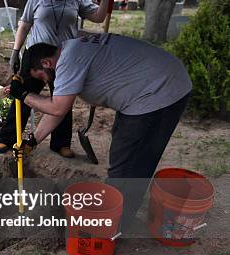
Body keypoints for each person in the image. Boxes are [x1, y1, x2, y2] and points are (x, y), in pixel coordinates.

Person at [11, 33, 192, 228]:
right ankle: (118, 211)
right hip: (150, 87)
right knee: (124, 152)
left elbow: (57, 107)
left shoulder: (68, 61)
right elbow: (58, 110)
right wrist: (33, 140)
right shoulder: (71, 49)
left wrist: (23, 95)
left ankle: (115, 226)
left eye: (41, 77)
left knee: (129, 162)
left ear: (46, 63)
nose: (46, 82)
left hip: (159, 91)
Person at [0, 0, 120, 159]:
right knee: (23, 95)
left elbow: (98, 17)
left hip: (64, 58)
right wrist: (15, 51)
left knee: (62, 100)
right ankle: (8, 136)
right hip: (35, 56)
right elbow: (25, 25)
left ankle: (60, 143)